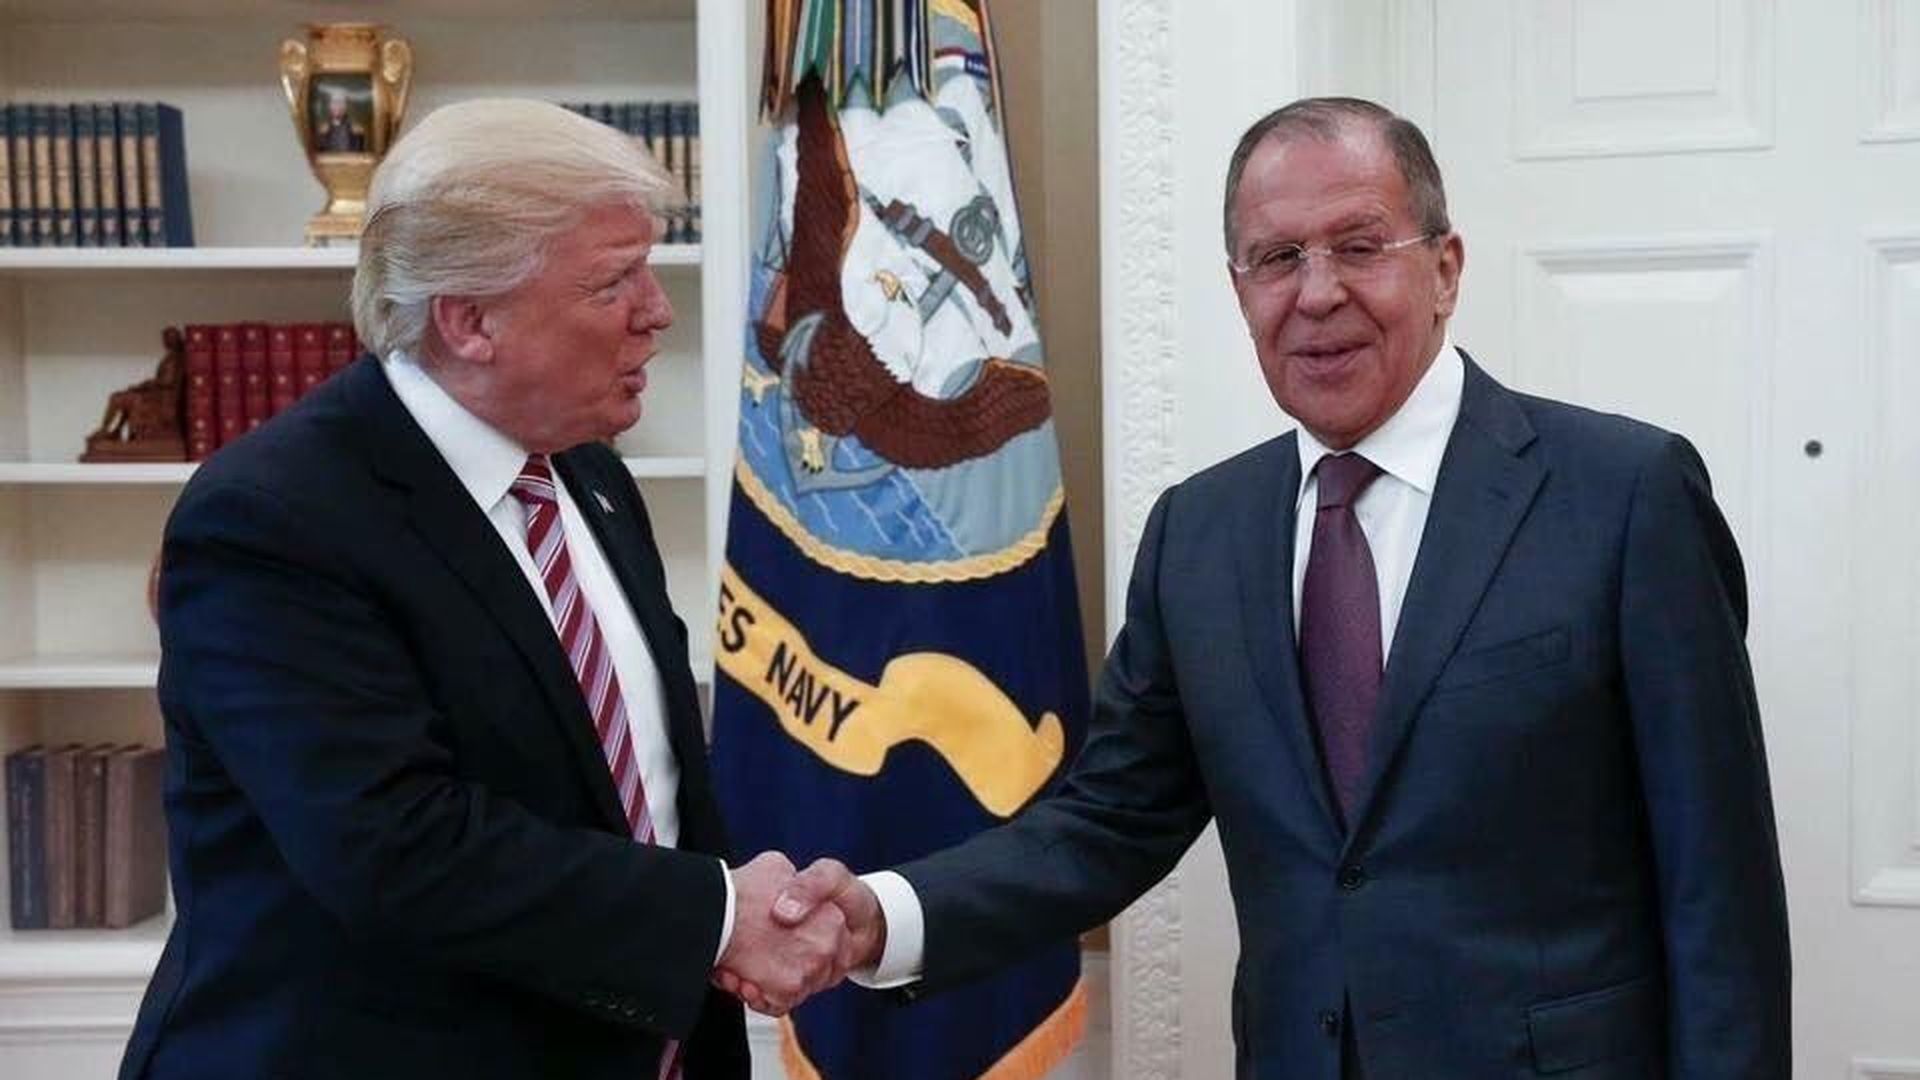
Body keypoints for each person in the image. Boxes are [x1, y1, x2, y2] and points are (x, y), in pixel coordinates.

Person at [769, 97, 1793, 1079]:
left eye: (1360, 246)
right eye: (1277, 258)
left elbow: (1720, 884)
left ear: (1445, 269)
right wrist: (881, 916)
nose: (1317, 293)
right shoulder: (1199, 534)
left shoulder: (1623, 496)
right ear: (1240, 290)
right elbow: (1108, 822)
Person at [119, 100, 854, 1080]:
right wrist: (720, 918)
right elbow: (394, 848)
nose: (657, 310)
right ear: (469, 321)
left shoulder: (586, 472)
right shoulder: (272, 518)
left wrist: (759, 921)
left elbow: (644, 789)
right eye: (613, 281)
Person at [316, 88, 367, 153]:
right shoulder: (322, 129)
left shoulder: (357, 129)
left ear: (346, 107)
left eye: (340, 103)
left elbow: (359, 153)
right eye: (334, 102)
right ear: (329, 106)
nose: (337, 107)